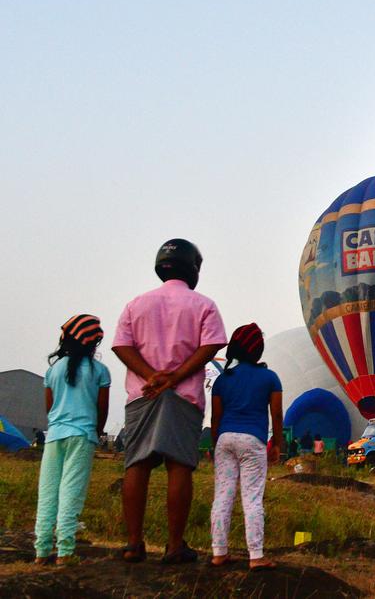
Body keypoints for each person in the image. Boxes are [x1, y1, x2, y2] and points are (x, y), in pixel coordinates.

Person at [112, 239, 226, 564]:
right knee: (179, 466)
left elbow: (121, 346)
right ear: (193, 268)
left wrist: (151, 376)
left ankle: (133, 544)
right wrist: (173, 378)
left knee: (137, 464)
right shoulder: (203, 304)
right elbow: (212, 345)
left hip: (142, 394)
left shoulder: (137, 303)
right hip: (183, 396)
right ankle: (174, 546)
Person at [34, 315, 111, 565]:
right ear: (93, 343)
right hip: (82, 435)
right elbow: (102, 409)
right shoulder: (100, 371)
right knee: (71, 492)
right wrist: (96, 432)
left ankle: (42, 550)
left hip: (54, 435)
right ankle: (65, 550)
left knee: (48, 492)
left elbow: (50, 408)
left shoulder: (52, 370)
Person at [208, 323, 282, 570]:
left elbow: (215, 419)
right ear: (258, 350)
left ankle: (219, 552)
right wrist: (277, 444)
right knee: (251, 497)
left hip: (225, 439)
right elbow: (277, 414)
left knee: (223, 495)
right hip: (253, 440)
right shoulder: (270, 378)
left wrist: (214, 444)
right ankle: (256, 555)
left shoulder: (222, 380)